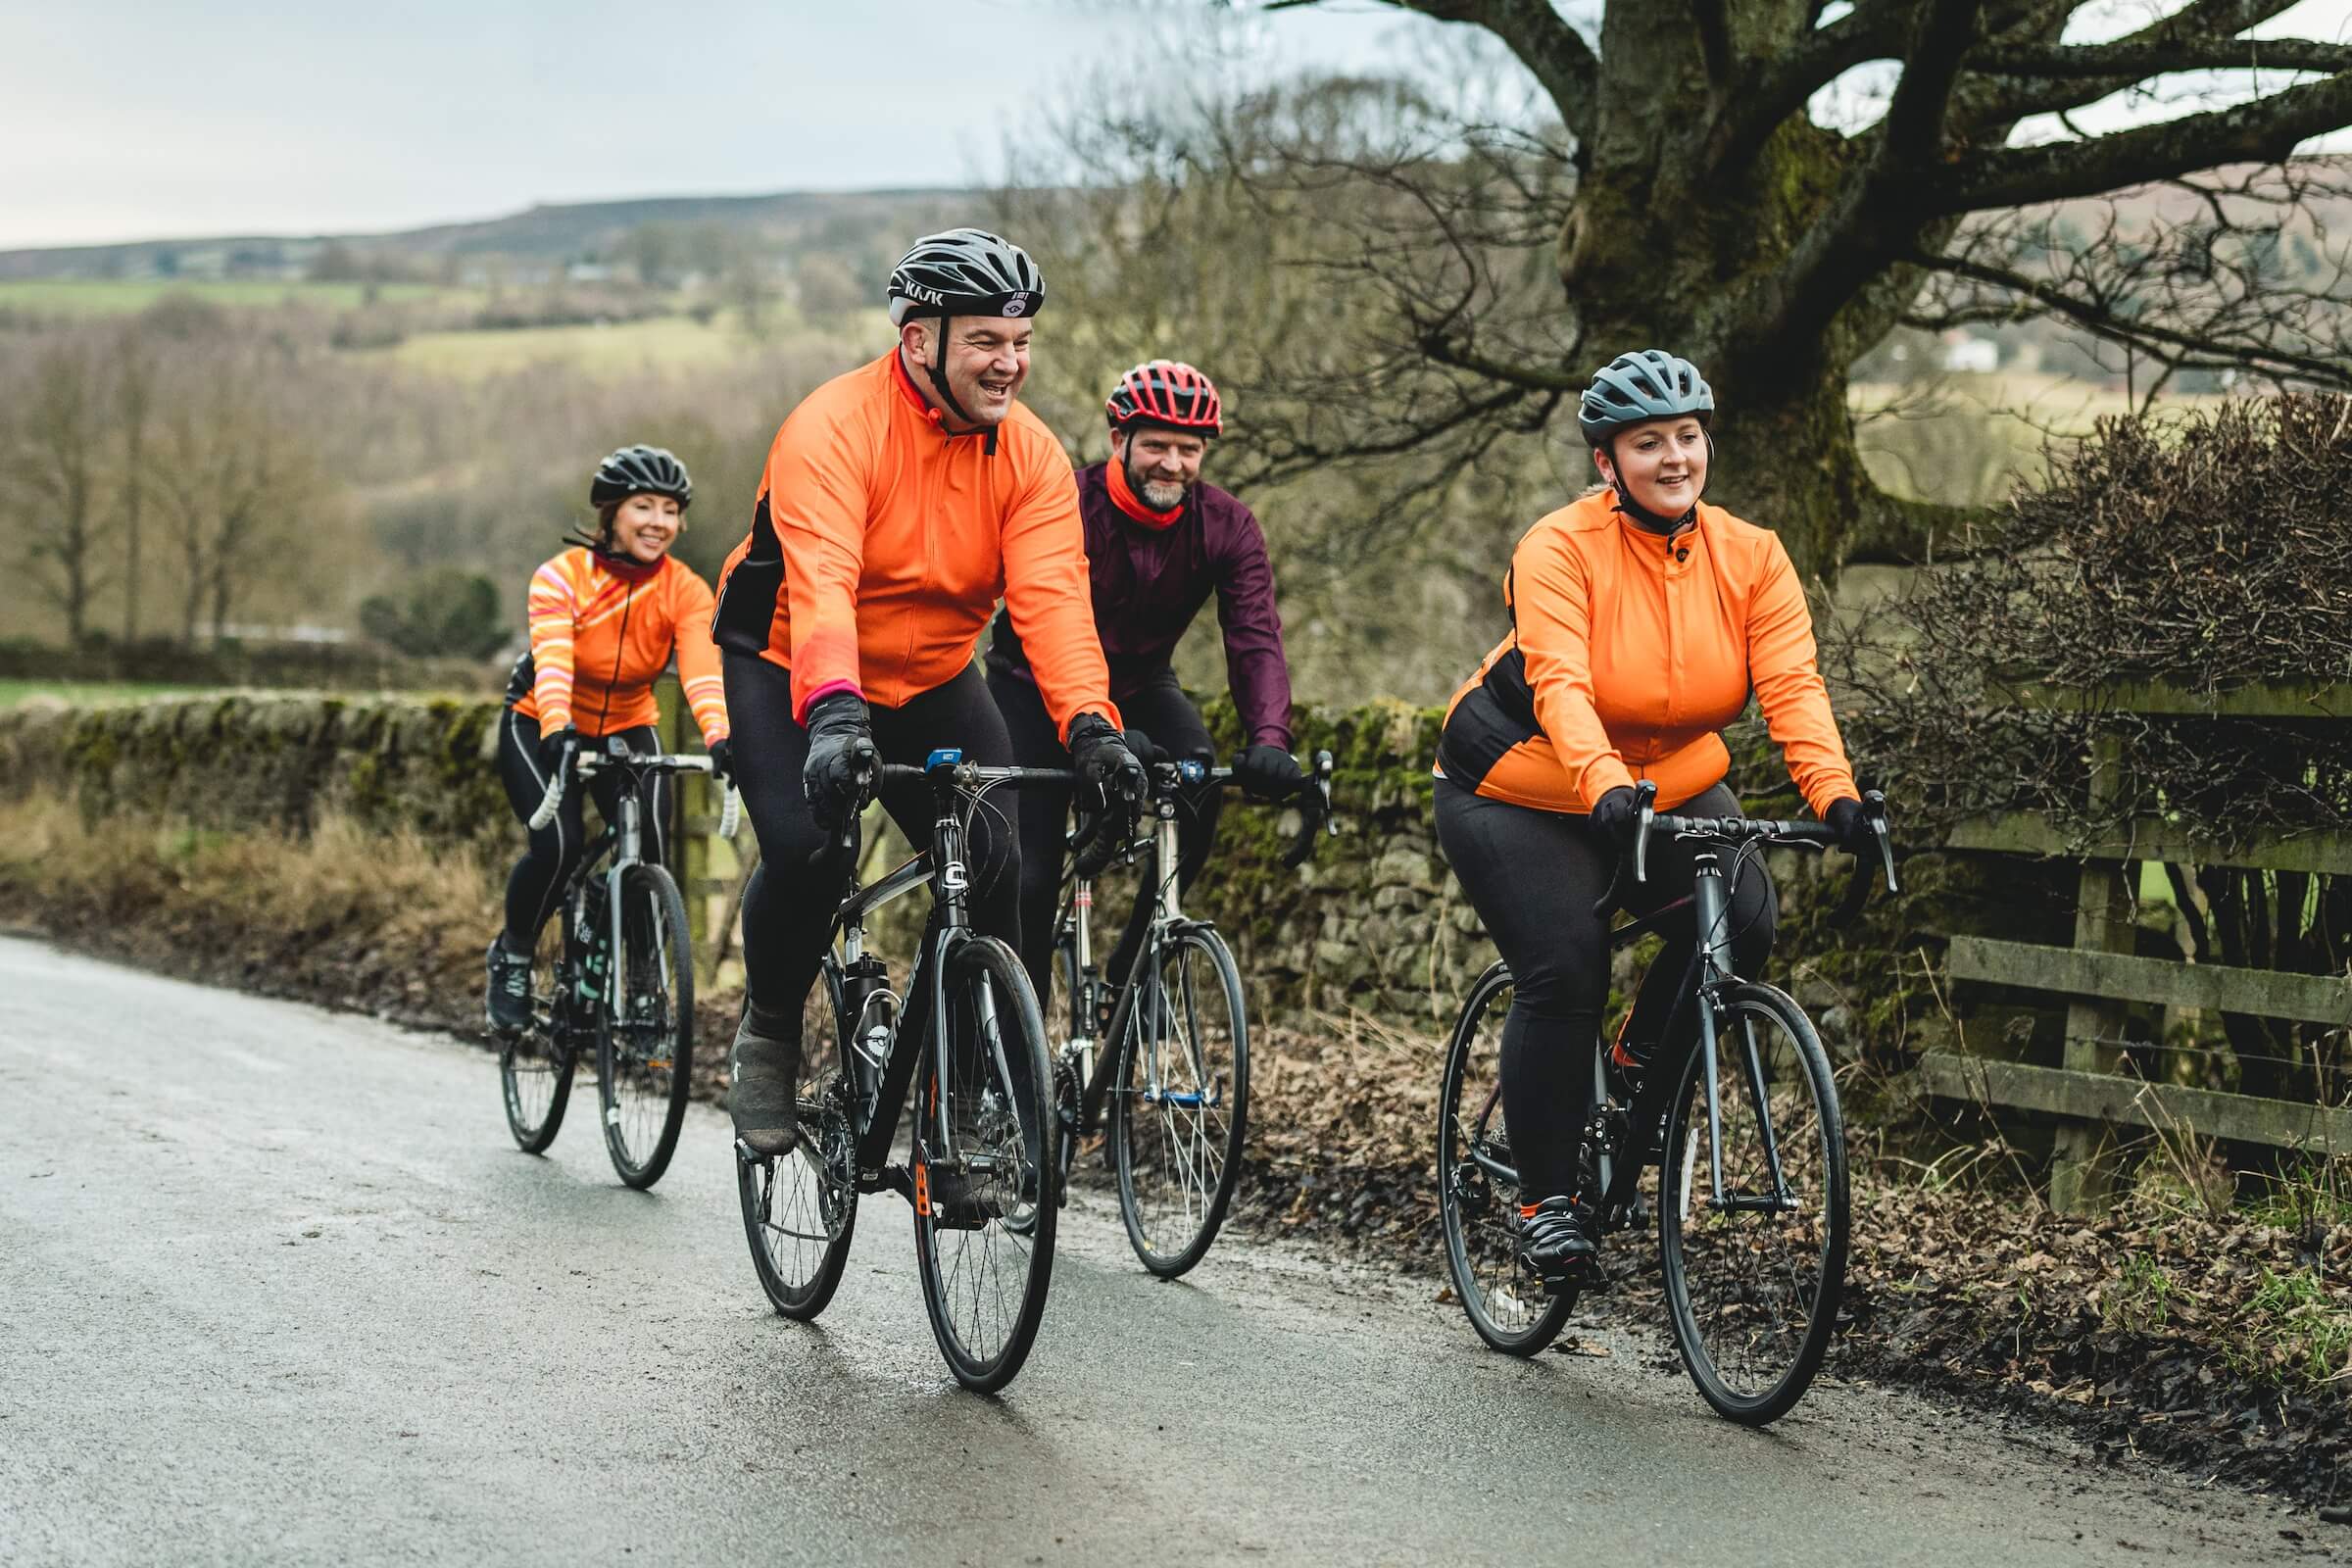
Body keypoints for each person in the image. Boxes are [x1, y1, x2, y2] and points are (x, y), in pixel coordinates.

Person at [1431, 349, 1876, 1280]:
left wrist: (1834, 795)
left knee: (1745, 921)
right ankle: (1546, 1201)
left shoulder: (1752, 556)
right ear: (1607, 462)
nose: (1674, 458)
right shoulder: (1559, 548)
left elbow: (1792, 685)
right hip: (1516, 777)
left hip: (1661, 780)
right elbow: (1560, 684)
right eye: (1646, 443)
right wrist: (1601, 789)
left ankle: (1632, 1071)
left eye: (1686, 436)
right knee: (1565, 965)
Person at [710, 227, 1144, 1159]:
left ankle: (966, 1104)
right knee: (811, 854)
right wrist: (831, 713)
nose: (1011, 364)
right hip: (789, 658)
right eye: (988, 341)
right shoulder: (832, 427)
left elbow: (1055, 604)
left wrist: (1094, 730)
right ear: (920, 340)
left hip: (933, 671)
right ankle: (772, 1030)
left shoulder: (1026, 456)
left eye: (1023, 341)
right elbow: (823, 580)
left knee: (997, 863)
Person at [986, 358, 1298, 1009]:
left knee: (1197, 781)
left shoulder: (1226, 525)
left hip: (1140, 684)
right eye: (1155, 444)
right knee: (1033, 878)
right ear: (1117, 442)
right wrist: (1107, 734)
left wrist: (1270, 736)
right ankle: (1021, 1061)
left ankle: (1134, 970)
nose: (1172, 463)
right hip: (1032, 689)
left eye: (1189, 449)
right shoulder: (1066, 503)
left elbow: (1254, 637)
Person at [487, 444, 732, 1034]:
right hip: (540, 719)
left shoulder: (685, 589)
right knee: (559, 847)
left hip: (627, 720)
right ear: (612, 514)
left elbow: (700, 670)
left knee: (649, 848)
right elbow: (553, 663)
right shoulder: (562, 578)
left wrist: (722, 738)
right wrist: (556, 728)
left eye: (671, 510)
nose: (659, 522)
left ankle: (644, 978)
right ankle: (513, 958)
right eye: (644, 507)